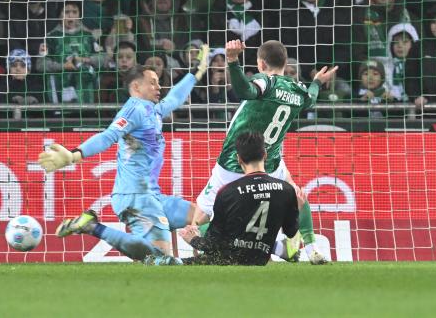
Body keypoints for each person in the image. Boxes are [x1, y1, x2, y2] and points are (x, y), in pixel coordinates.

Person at [38, 45, 211, 264]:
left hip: (151, 195)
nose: (159, 86)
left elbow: (175, 98)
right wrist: (74, 155)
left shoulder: (153, 110)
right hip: (135, 196)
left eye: (158, 81)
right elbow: (108, 136)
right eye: (153, 82)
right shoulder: (134, 110)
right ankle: (93, 226)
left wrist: (195, 72)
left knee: (200, 215)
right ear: (137, 87)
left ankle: (211, 260)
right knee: (160, 259)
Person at [193, 39, 338, 265]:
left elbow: (245, 90)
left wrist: (232, 62)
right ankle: (311, 249)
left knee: (199, 219)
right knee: (296, 193)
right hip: (269, 160)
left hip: (235, 162)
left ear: (261, 64)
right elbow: (311, 99)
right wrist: (318, 81)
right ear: (285, 62)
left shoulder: (265, 82)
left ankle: (218, 254)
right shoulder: (297, 89)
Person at [178, 132, 305, 265]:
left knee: (174, 262)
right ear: (265, 155)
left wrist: (193, 239)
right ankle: (277, 249)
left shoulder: (227, 192)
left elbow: (213, 244)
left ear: (239, 159)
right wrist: (298, 210)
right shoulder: (286, 190)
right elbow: (293, 239)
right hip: (260, 260)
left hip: (229, 260)